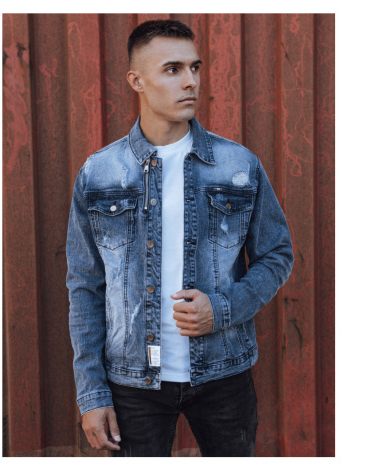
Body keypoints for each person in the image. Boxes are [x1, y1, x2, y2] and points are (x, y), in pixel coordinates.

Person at [66, 19, 294, 457]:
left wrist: (222, 309)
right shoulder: (100, 174)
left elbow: (277, 254)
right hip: (132, 382)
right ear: (137, 80)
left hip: (224, 373)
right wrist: (91, 393)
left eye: (195, 67)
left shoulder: (238, 165)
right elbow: (85, 286)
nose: (190, 81)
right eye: (172, 69)